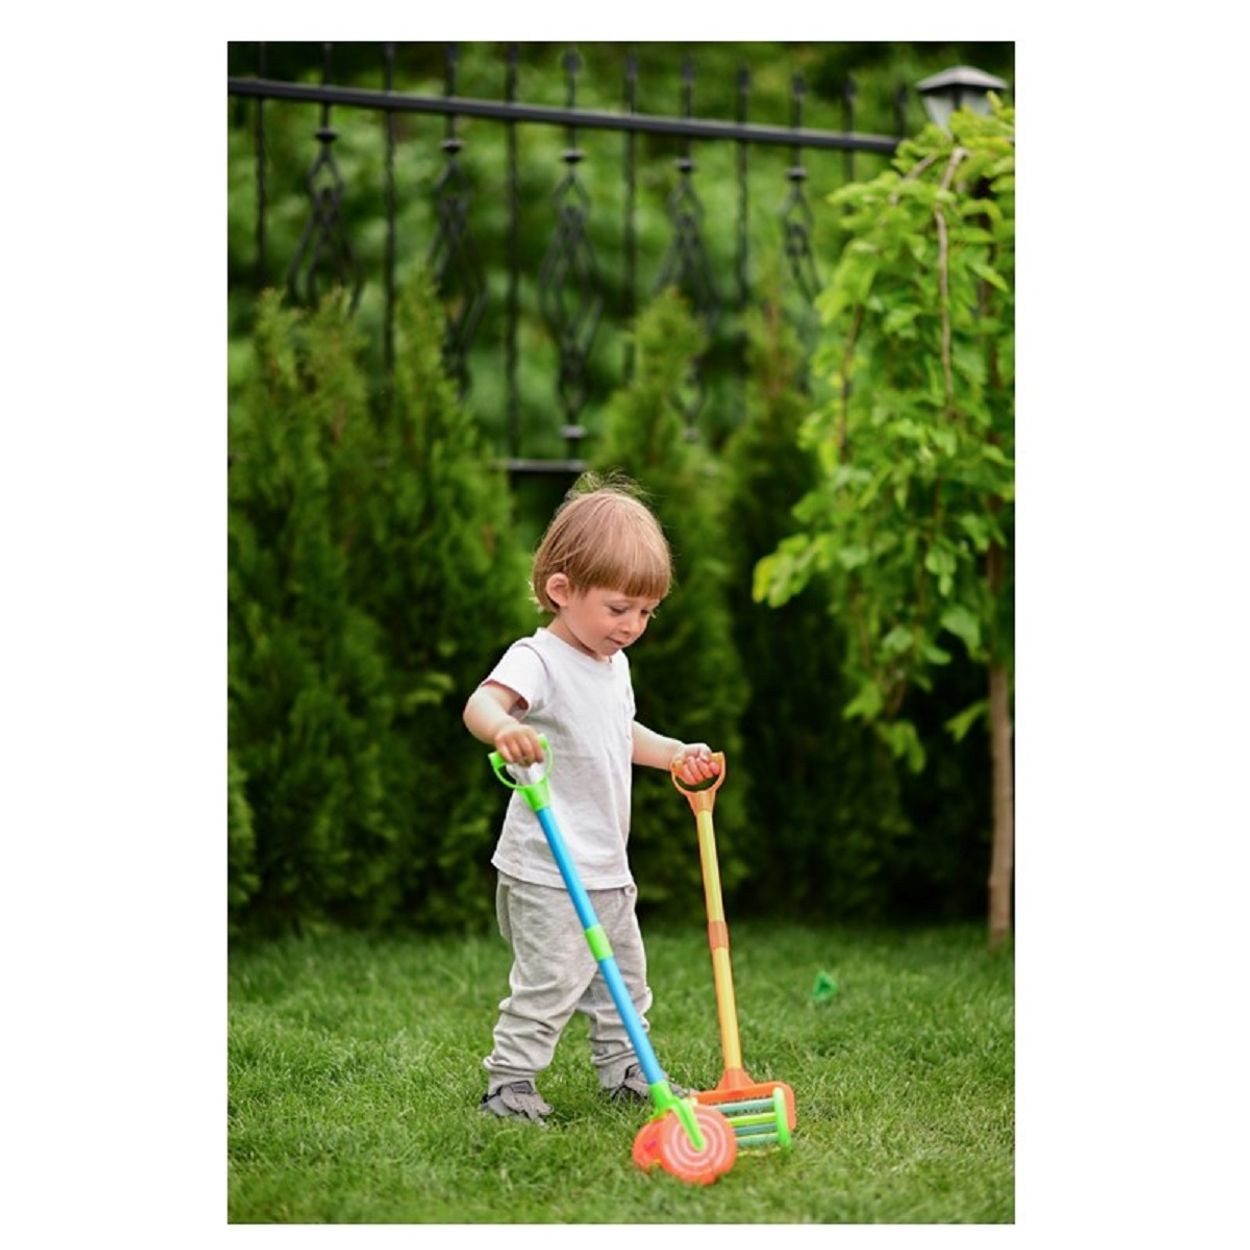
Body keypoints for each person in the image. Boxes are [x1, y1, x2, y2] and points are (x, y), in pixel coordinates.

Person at [462, 475, 720, 1125]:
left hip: (605, 863)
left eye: (646, 613)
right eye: (618, 608)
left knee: (623, 979)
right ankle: (510, 1082)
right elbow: (481, 704)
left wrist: (672, 752)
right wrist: (504, 728)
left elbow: (617, 732)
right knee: (551, 981)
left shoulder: (612, 665)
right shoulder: (539, 659)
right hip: (546, 866)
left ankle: (626, 1070)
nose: (632, 626)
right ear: (561, 590)